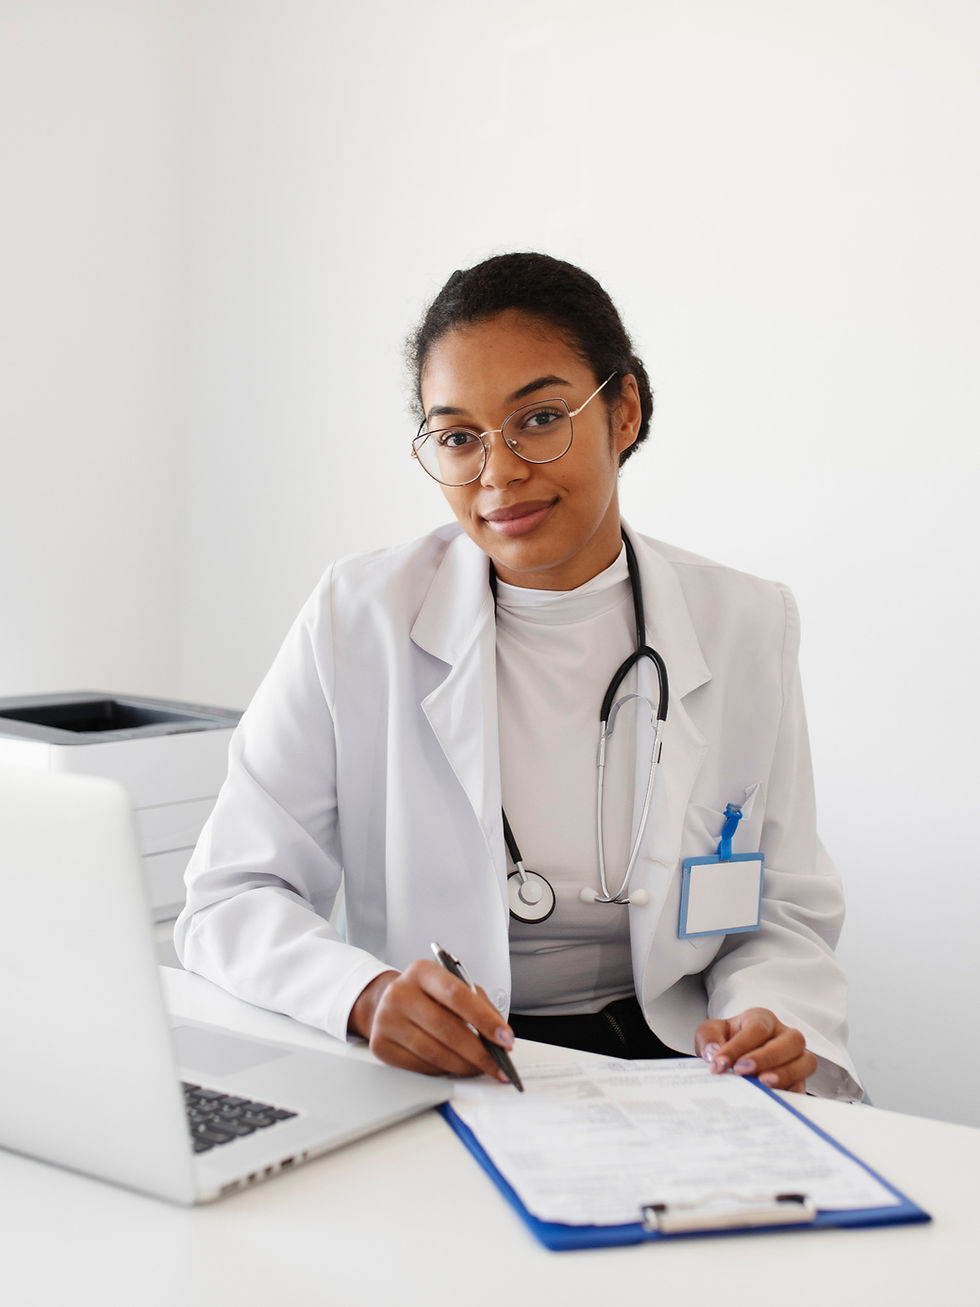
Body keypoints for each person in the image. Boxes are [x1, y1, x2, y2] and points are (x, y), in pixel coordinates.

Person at [175, 253, 861, 1101]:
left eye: (538, 418)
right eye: (459, 436)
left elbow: (782, 908)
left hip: (685, 1066)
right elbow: (230, 895)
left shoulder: (747, 623)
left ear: (624, 411)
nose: (497, 473)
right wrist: (361, 994)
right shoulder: (358, 619)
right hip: (452, 1061)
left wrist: (767, 1014)